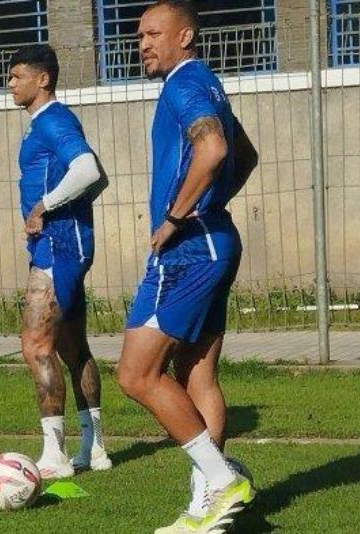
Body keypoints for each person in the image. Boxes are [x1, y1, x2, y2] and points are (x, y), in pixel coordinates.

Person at [116, 2, 259, 532]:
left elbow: (216, 148)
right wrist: (213, 205)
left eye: (153, 33)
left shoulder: (182, 84)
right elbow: (245, 155)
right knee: (195, 372)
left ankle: (221, 481)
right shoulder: (205, 81)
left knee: (135, 374)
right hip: (217, 241)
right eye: (138, 36)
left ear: (186, 35)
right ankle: (208, 502)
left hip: (190, 251)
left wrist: (178, 216)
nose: (143, 43)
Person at [8, 44, 112, 479]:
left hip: (58, 247)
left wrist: (44, 208)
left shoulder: (55, 120)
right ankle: (96, 448)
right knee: (73, 349)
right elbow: (98, 178)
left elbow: (88, 171)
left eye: (16, 76)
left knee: (36, 345)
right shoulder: (41, 126)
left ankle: (55, 455)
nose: (9, 84)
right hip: (63, 244)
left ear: (42, 79)